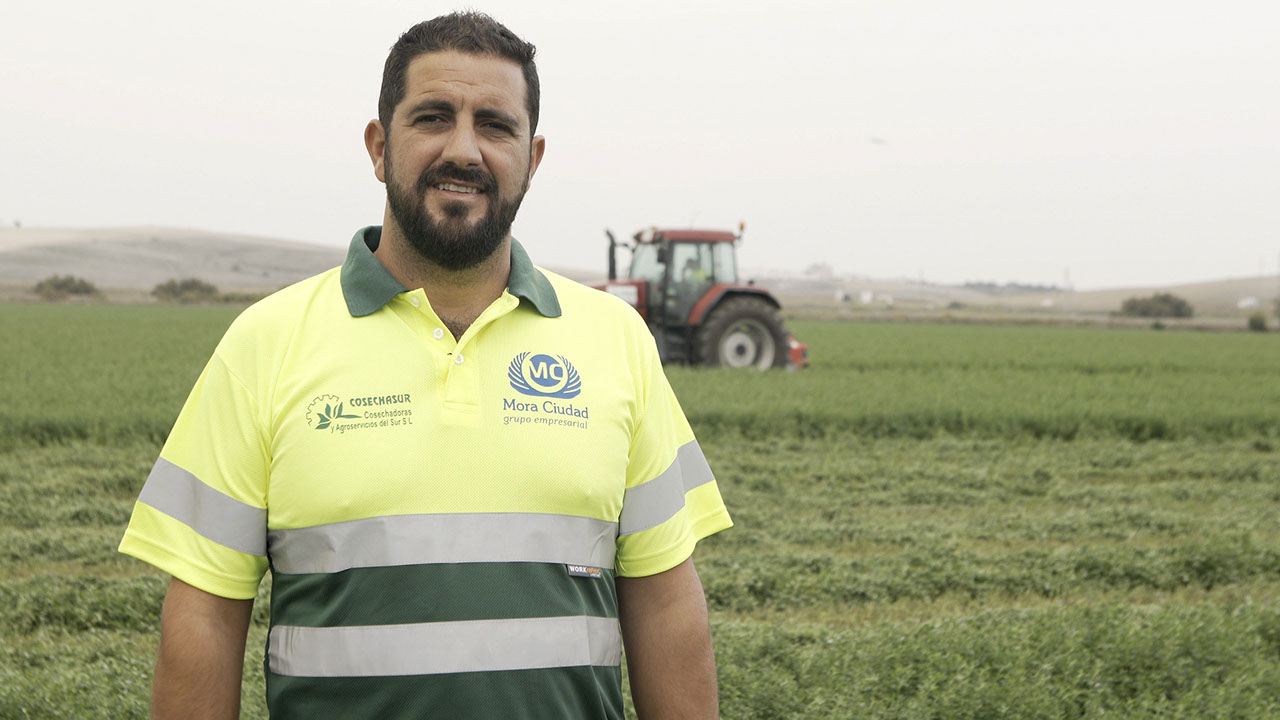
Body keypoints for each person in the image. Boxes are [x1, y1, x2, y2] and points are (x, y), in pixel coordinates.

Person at [118, 11, 732, 720]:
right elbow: (203, 614)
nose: (464, 150)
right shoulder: (265, 343)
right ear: (380, 147)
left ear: (532, 160)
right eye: (434, 118)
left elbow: (665, 603)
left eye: (495, 126)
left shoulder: (617, 340)